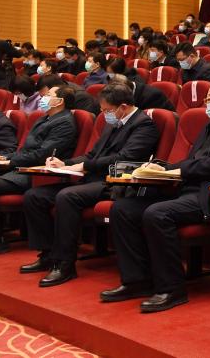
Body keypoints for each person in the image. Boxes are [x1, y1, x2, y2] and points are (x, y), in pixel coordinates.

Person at [102, 79, 210, 313]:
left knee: (157, 213)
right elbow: (193, 161)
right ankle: (137, 281)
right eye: (209, 99)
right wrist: (163, 169)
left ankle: (172, 289)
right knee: (122, 209)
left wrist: (178, 171)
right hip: (187, 189)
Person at [21, 84, 160, 286]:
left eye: (107, 110)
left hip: (114, 182)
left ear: (123, 107)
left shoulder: (144, 125)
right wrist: (65, 164)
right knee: (35, 196)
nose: (104, 114)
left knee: (67, 196)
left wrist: (84, 166)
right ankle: (47, 255)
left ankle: (64, 264)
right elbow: (92, 154)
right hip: (93, 179)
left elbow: (125, 157)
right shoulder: (113, 123)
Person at [0, 86, 77, 258]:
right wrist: (3, 156)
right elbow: (24, 150)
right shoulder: (44, 118)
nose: (43, 97)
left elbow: (42, 155)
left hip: (35, 174)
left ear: (60, 101)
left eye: (48, 95)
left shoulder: (64, 123)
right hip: (21, 167)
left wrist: (11, 161)